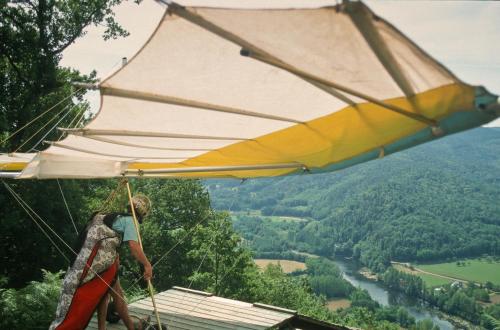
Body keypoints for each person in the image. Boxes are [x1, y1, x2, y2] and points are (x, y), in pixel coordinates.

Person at [49, 195, 153, 330]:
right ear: (142, 213)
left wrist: (114, 254)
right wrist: (147, 265)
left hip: (86, 260)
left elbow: (108, 239)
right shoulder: (130, 220)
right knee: (116, 293)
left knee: (105, 292)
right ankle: (133, 327)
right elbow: (134, 246)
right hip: (97, 263)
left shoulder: (113, 216)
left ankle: (106, 327)